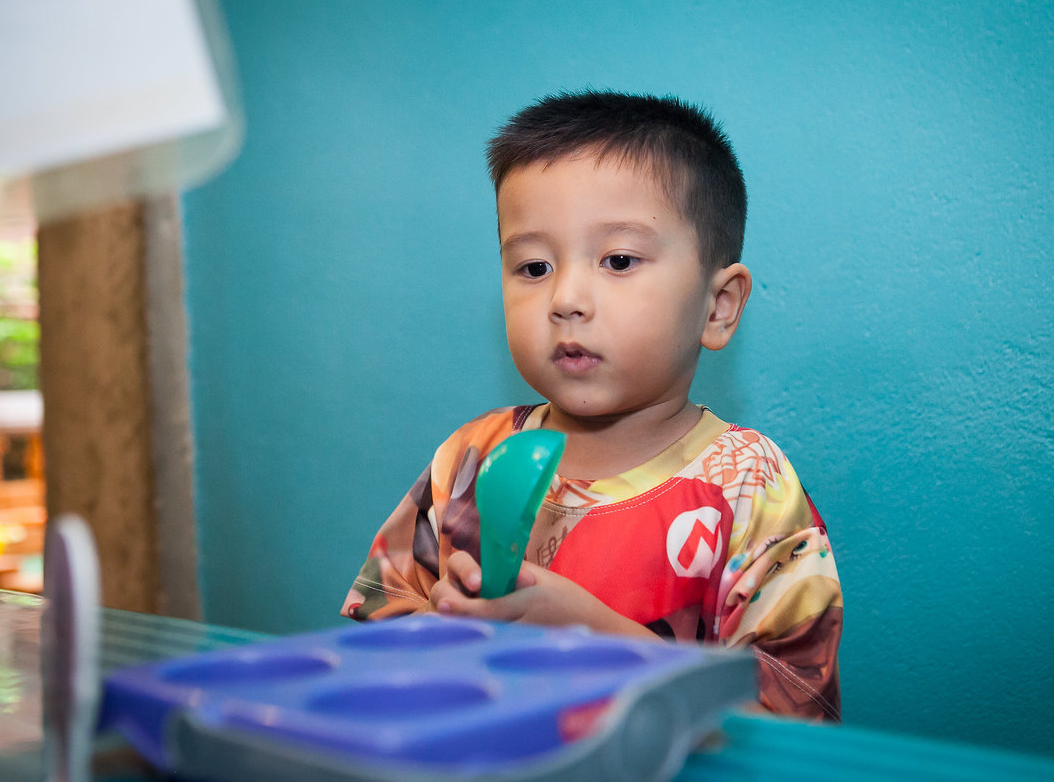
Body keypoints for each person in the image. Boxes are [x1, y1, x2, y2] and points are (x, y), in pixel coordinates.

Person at [342, 90, 842, 721]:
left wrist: (595, 640)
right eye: (533, 267)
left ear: (718, 307)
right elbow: (373, 638)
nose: (566, 299)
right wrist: (449, 633)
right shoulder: (471, 461)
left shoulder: (749, 485)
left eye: (618, 260)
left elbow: (796, 715)